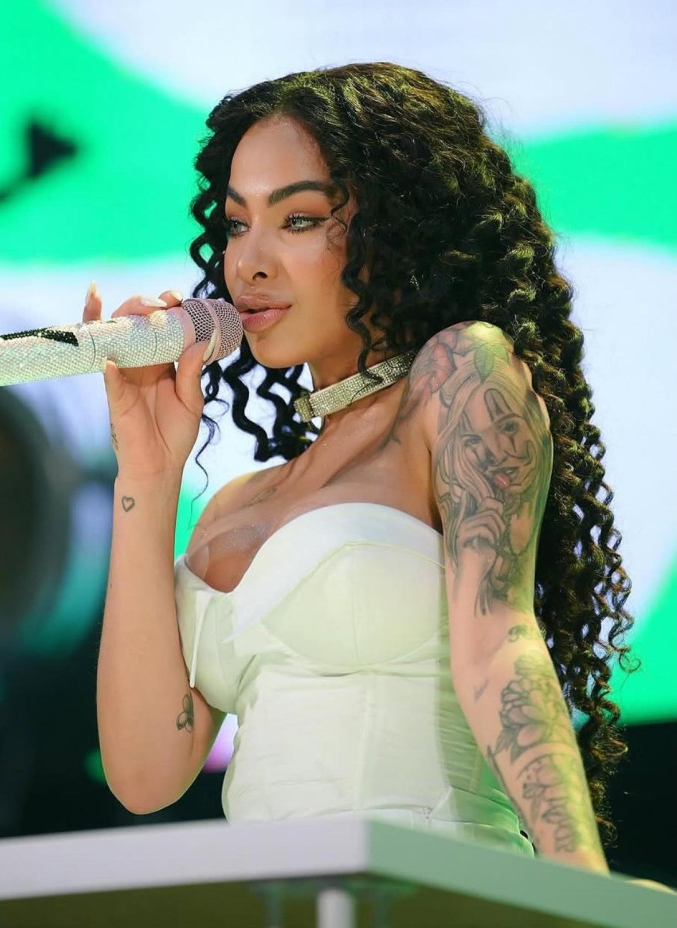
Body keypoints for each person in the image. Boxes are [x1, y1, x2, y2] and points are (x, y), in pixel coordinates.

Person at [90, 62, 642, 877]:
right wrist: (146, 471)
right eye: (237, 224)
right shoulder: (236, 505)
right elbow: (144, 775)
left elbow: (502, 645)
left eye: (299, 219)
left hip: (439, 892)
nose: (249, 263)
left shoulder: (458, 377)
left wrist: (583, 888)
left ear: (396, 230)